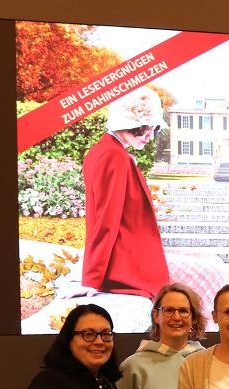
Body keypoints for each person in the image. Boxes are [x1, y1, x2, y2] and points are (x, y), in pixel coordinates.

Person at [75, 87, 170, 299]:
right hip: (124, 265)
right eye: (144, 129)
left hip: (126, 259)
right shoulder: (112, 155)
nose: (149, 137)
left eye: (153, 130)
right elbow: (105, 219)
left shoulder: (109, 152)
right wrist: (92, 279)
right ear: (126, 125)